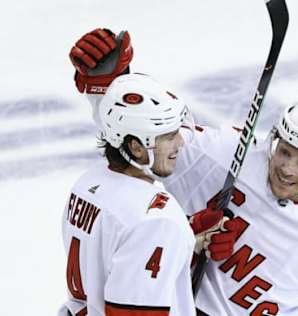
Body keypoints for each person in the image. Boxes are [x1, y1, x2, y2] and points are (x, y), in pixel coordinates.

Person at [69, 28, 298, 315]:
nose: (286, 169)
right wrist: (109, 80)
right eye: (284, 152)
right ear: (273, 139)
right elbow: (142, 136)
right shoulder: (227, 154)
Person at [60, 39, 230, 315]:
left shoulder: (88, 182)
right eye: (168, 136)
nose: (181, 143)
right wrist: (171, 234)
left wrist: (186, 241)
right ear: (136, 146)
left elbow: (116, 261)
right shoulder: (157, 220)